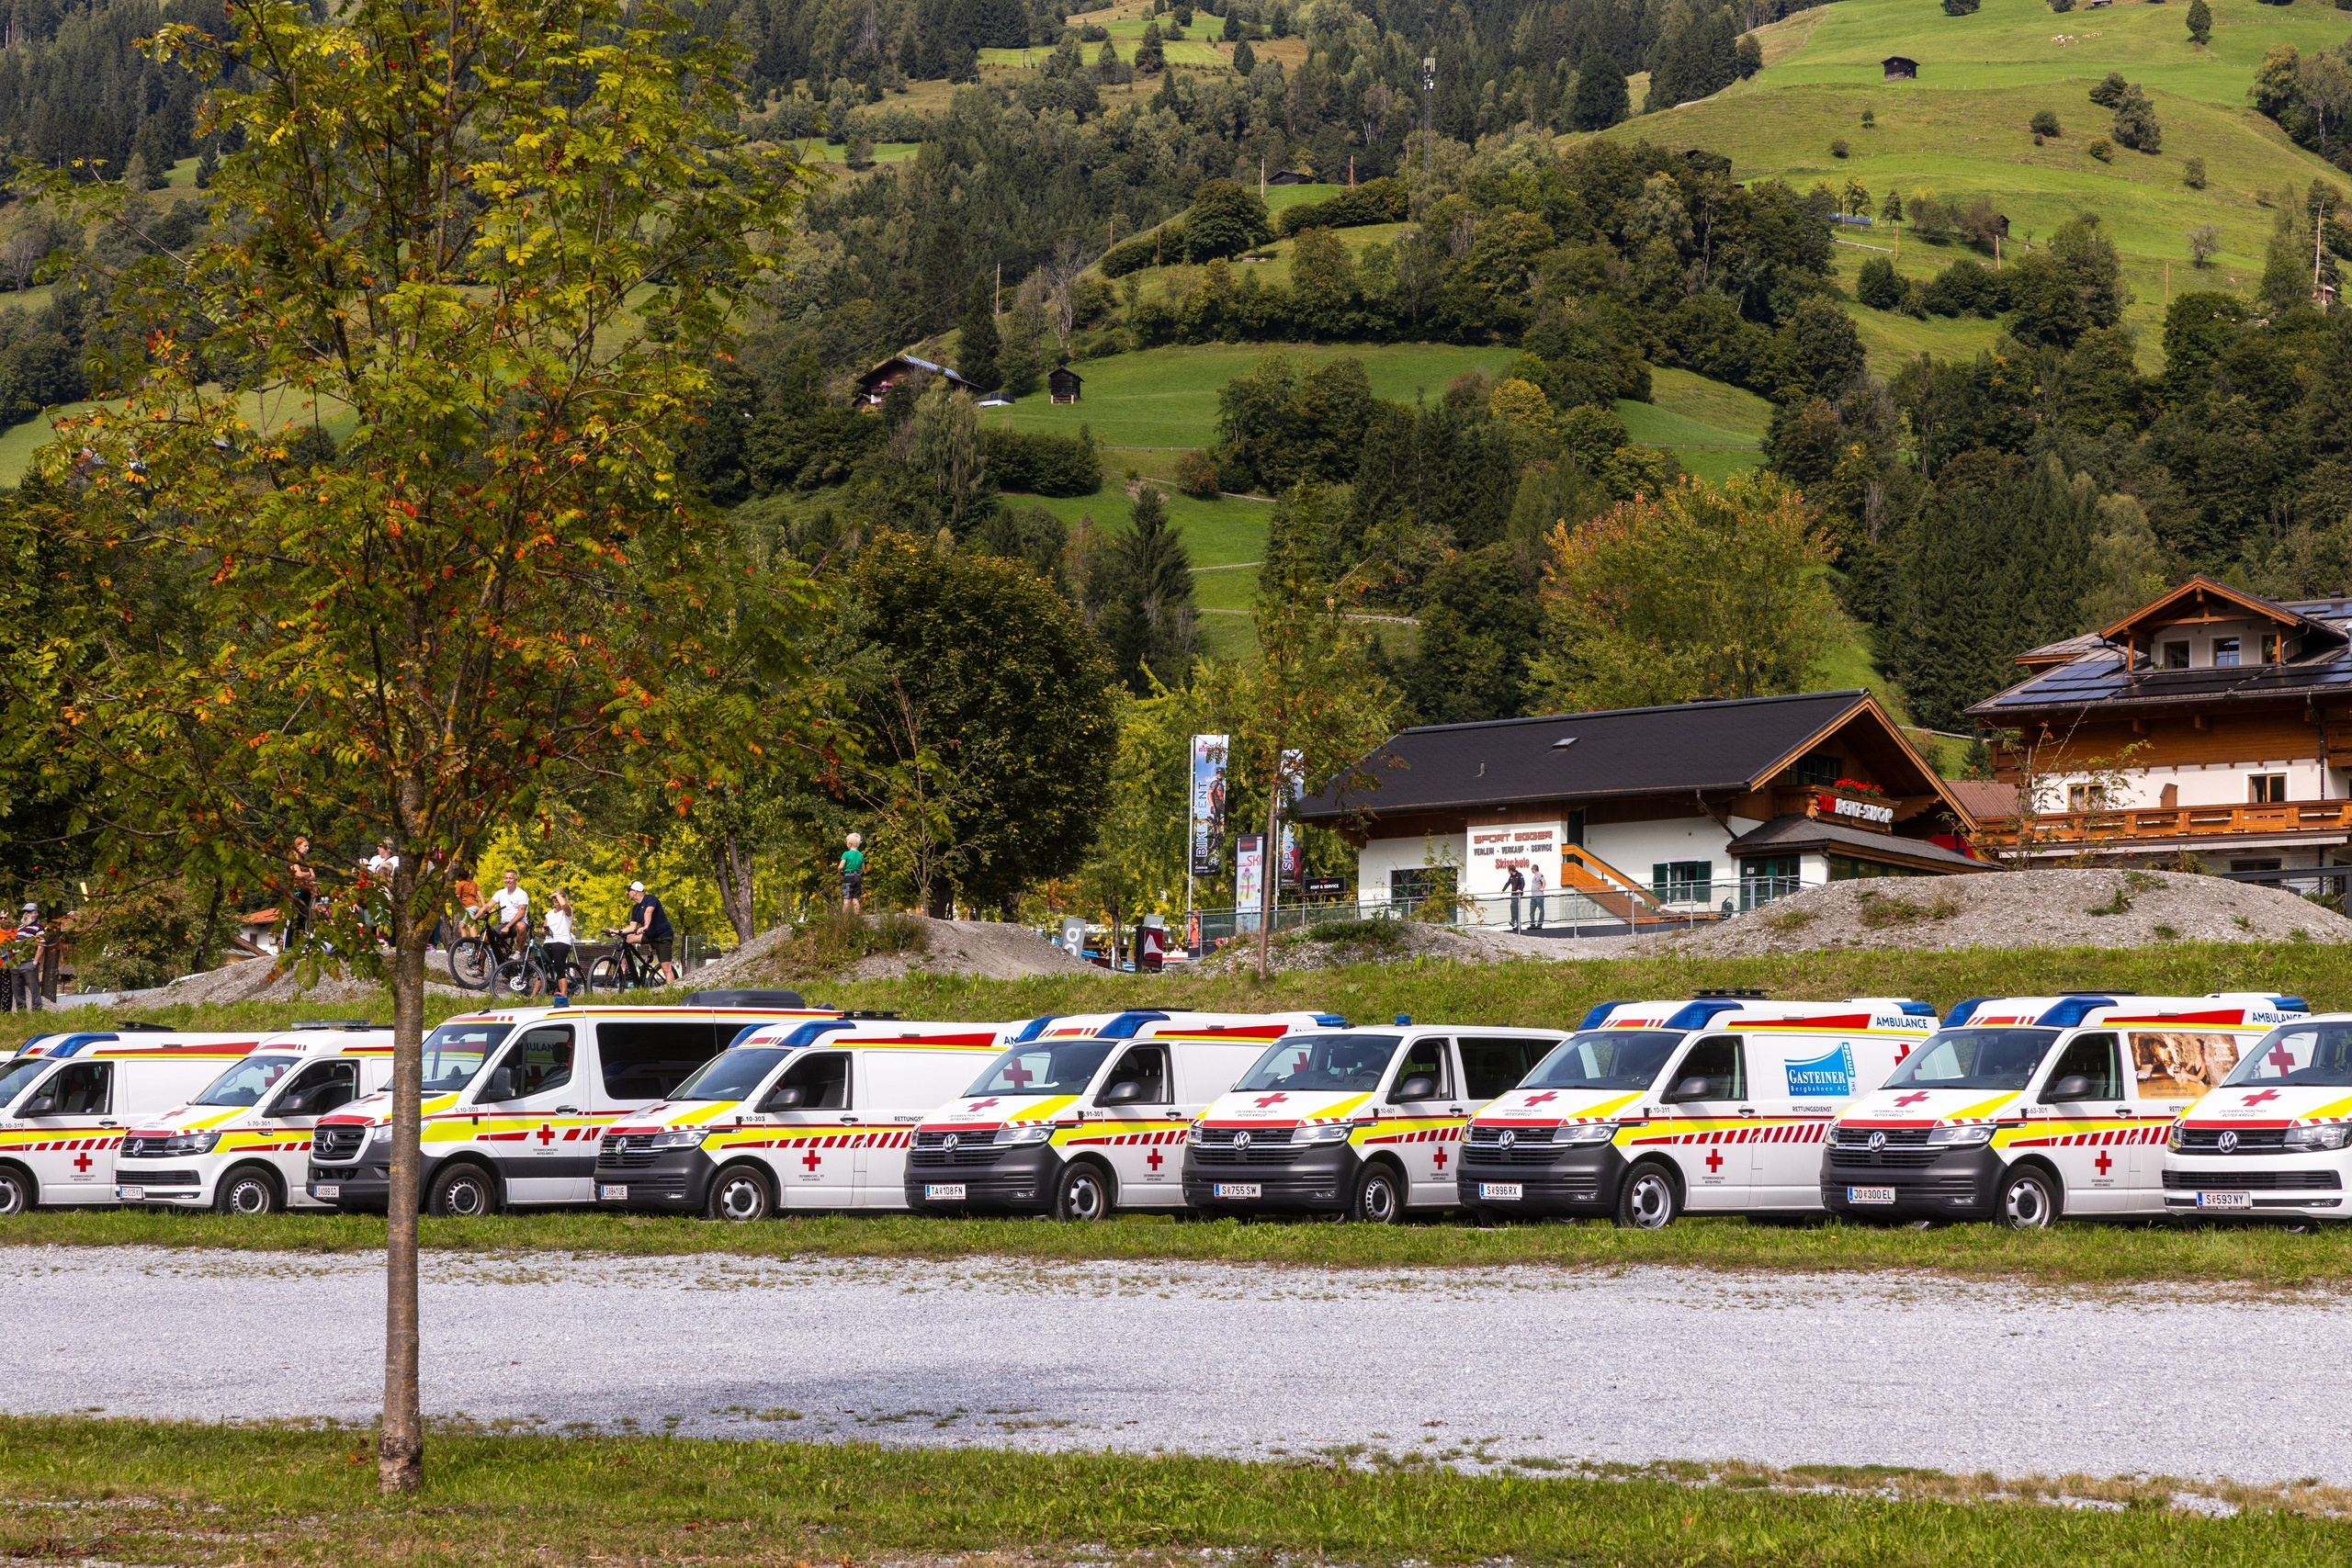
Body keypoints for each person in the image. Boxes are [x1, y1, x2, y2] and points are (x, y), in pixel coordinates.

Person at [626, 880, 676, 983]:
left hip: (663, 936)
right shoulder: (635, 909)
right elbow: (632, 928)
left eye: (629, 890)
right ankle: (630, 971)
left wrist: (645, 926)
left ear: (635, 891)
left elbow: (648, 912)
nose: (627, 893)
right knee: (628, 938)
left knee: (666, 969)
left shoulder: (651, 899)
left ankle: (672, 992)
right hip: (650, 935)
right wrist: (616, 931)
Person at [283, 835, 318, 949]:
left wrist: (305, 876)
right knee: (295, 917)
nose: (307, 848)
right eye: (305, 846)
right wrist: (307, 874)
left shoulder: (306, 860)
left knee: (304, 917)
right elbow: (297, 875)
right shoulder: (293, 857)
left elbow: (313, 876)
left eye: (308, 846)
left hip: (307, 890)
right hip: (296, 890)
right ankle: (289, 946)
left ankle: (299, 945)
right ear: (298, 846)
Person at [542, 887, 577, 998]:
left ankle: (563, 994)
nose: (555, 900)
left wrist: (559, 895)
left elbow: (564, 906)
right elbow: (543, 928)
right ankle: (535, 994)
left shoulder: (567, 910)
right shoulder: (549, 913)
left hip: (562, 940)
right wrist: (545, 931)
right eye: (553, 898)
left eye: (557, 897)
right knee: (541, 966)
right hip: (549, 940)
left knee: (559, 966)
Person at [489, 869, 530, 957]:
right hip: (504, 923)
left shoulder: (521, 894)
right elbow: (488, 906)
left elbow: (521, 914)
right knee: (486, 937)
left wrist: (508, 926)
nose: (508, 880)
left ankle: (518, 953)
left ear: (516, 880)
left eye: (510, 878)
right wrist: (475, 917)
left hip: (516, 923)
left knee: (521, 926)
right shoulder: (500, 893)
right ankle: (480, 969)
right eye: (506, 878)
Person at [840, 832, 865, 917]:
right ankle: (857, 916)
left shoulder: (846, 854)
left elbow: (840, 867)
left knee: (846, 898)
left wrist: (841, 873)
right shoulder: (861, 855)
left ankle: (845, 917)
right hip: (857, 877)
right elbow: (863, 869)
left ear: (850, 844)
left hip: (848, 877)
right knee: (855, 898)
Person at [1503, 863, 1525, 931]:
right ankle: (1516, 924)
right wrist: (1503, 890)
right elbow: (1507, 883)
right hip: (1513, 894)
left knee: (1515, 908)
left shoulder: (1519, 875)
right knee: (1513, 908)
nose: (1508, 872)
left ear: (1511, 870)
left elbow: (1523, 883)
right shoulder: (1511, 877)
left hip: (1517, 894)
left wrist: (1520, 890)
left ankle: (1514, 922)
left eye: (1508, 870)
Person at [1528, 862, 1547, 933]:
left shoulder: (1540, 875)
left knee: (1541, 910)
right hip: (1533, 896)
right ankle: (1532, 924)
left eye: (1532, 868)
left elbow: (1544, 881)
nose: (1531, 870)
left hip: (1539, 896)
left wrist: (1542, 887)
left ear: (1534, 869)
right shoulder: (1534, 876)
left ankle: (1539, 924)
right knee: (1532, 911)